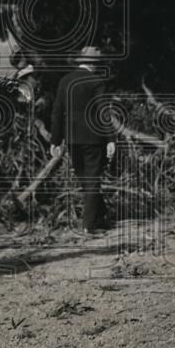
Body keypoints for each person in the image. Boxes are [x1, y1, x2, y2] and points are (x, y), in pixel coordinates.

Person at [50, 46, 117, 234]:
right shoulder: (96, 81)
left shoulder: (65, 80)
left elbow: (57, 112)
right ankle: (89, 225)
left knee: (85, 179)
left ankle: (99, 216)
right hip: (93, 138)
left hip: (72, 138)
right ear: (94, 64)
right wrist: (111, 138)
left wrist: (55, 140)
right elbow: (104, 112)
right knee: (92, 179)